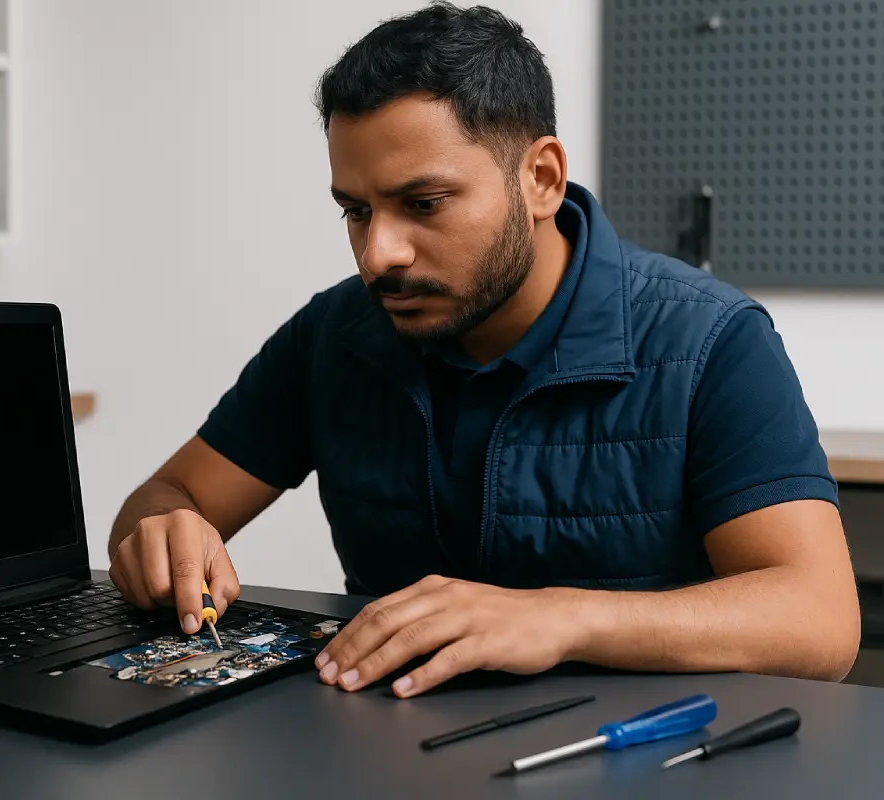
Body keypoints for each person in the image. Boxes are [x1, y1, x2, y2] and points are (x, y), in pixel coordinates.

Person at [107, 1, 861, 697]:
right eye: (356, 211)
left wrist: (559, 618)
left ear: (540, 179)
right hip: (383, 761)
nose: (379, 255)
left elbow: (820, 623)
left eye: (422, 204)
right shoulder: (334, 335)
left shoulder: (708, 340)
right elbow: (164, 500)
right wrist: (165, 532)